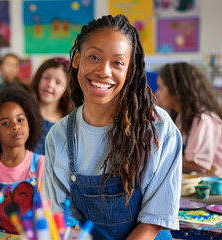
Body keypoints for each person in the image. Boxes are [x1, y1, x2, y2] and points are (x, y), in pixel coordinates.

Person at [42, 14, 182, 240]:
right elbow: (63, 221)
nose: (104, 71)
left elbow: (154, 220)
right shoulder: (58, 136)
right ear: (77, 59)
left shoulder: (157, 128)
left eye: (117, 62)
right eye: (94, 57)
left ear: (130, 70)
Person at [0, 87, 44, 234]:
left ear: (29, 123)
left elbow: (49, 213)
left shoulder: (41, 164)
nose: (15, 126)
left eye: (20, 120)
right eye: (5, 123)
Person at [156, 62, 222, 176]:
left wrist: (156, 157)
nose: (157, 93)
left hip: (212, 190)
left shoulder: (204, 119)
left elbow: (199, 165)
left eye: (161, 88)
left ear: (176, 91)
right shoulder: (181, 117)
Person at [30, 57, 74, 155]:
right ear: (38, 79)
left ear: (65, 91)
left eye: (58, 83)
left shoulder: (69, 122)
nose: (50, 84)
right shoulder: (25, 114)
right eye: (46, 78)